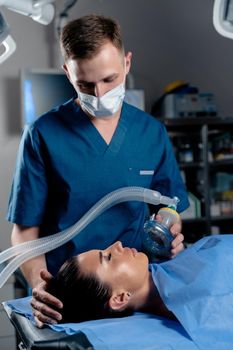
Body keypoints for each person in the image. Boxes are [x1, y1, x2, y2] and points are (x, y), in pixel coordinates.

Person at [7, 14, 189, 327]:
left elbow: (170, 205)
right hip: (70, 299)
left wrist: (172, 231)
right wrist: (40, 286)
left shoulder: (150, 132)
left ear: (127, 63)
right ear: (67, 72)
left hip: (132, 293)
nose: (100, 95)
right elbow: (25, 233)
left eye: (109, 80)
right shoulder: (43, 134)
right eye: (86, 85)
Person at [47, 235, 233, 350]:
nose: (117, 244)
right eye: (109, 257)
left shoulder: (175, 266)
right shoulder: (203, 308)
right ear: (120, 298)